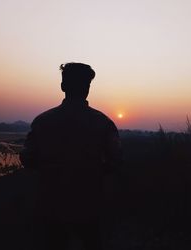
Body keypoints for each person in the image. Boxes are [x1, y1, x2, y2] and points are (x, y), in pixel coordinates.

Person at [20, 62, 122, 250]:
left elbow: (27, 158)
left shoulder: (43, 121)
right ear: (87, 88)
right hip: (89, 207)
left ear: (63, 86)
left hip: (50, 207)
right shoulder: (103, 122)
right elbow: (116, 161)